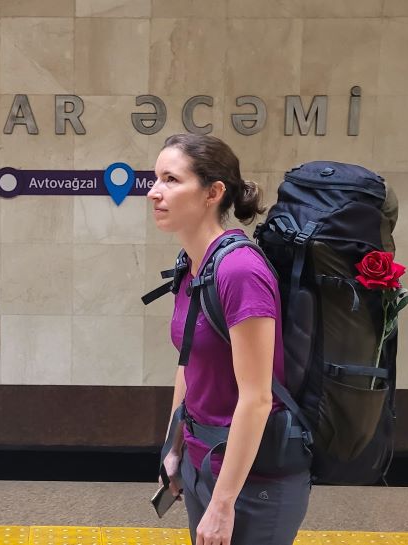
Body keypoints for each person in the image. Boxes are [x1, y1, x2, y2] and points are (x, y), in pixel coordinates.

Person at [148, 133, 310, 545]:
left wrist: (223, 504)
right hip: (205, 464)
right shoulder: (191, 267)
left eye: (171, 179)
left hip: (254, 481)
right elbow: (188, 361)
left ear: (213, 192)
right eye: (155, 178)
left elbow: (257, 398)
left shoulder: (240, 271)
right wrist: (175, 445)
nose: (154, 192)